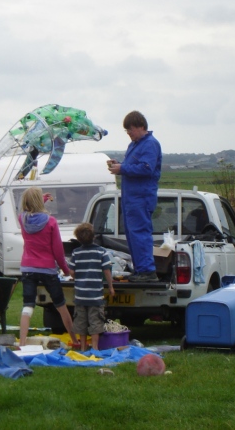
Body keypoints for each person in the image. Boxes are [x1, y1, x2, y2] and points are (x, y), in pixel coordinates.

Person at [18, 187, 79, 347]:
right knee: (61, 305)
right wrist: (66, 271)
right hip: (48, 269)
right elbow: (58, 251)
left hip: (28, 268)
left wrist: (40, 200)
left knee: (28, 306)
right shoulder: (51, 222)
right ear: (39, 202)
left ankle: (22, 342)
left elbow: (31, 210)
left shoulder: (22, 219)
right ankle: (74, 339)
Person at [108, 110, 162, 282]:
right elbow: (133, 166)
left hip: (141, 197)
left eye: (130, 129)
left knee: (140, 233)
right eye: (126, 131)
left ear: (141, 127)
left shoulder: (150, 144)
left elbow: (147, 168)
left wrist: (122, 169)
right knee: (132, 235)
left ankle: (148, 271)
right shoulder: (134, 145)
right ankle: (140, 269)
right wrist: (119, 165)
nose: (129, 133)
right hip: (131, 198)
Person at [68, 223, 115, 351]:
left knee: (81, 322)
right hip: (95, 295)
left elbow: (71, 271)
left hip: (80, 295)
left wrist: (77, 277)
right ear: (93, 236)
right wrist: (110, 287)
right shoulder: (101, 251)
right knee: (95, 321)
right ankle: (95, 347)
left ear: (78, 238)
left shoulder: (76, 252)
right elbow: (107, 271)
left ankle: (83, 347)